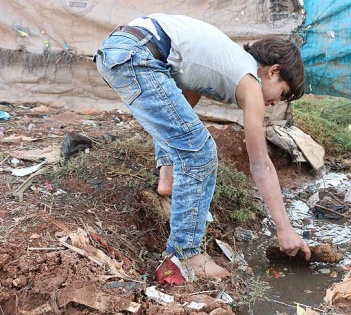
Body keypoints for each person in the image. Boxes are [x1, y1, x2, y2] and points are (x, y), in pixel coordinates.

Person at [94, 13, 311, 278]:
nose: (276, 103)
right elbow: (261, 165)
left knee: (186, 135)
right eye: (283, 93)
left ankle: (167, 180)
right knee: (201, 151)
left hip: (123, 49)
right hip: (136, 55)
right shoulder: (250, 82)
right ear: (273, 71)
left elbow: (177, 115)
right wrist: (284, 228)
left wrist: (171, 167)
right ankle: (184, 257)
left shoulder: (217, 62)